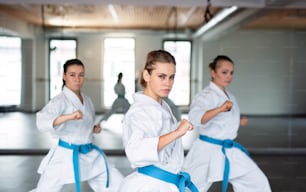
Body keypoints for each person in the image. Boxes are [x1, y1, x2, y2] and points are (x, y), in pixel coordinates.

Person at [183, 55, 272, 192]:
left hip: (229, 150)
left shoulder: (230, 95)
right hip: (207, 150)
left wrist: (237, 120)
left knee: (257, 182)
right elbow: (196, 118)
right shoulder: (205, 95)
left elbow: (224, 119)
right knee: (190, 187)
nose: (229, 76)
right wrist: (220, 109)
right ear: (213, 73)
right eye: (224, 72)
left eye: (231, 73)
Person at [33, 59, 123, 192]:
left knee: (116, 182)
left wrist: (92, 129)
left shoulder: (86, 99)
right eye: (72, 75)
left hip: (90, 153)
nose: (77, 79)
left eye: (81, 75)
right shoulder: (59, 100)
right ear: (64, 76)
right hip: (66, 155)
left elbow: (81, 125)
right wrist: (69, 116)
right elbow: (42, 121)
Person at [119, 50, 198, 192]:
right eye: (161, 76)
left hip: (166, 182)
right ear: (146, 75)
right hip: (149, 186)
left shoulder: (162, 106)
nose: (168, 83)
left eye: (171, 77)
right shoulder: (138, 112)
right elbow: (135, 152)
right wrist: (177, 132)